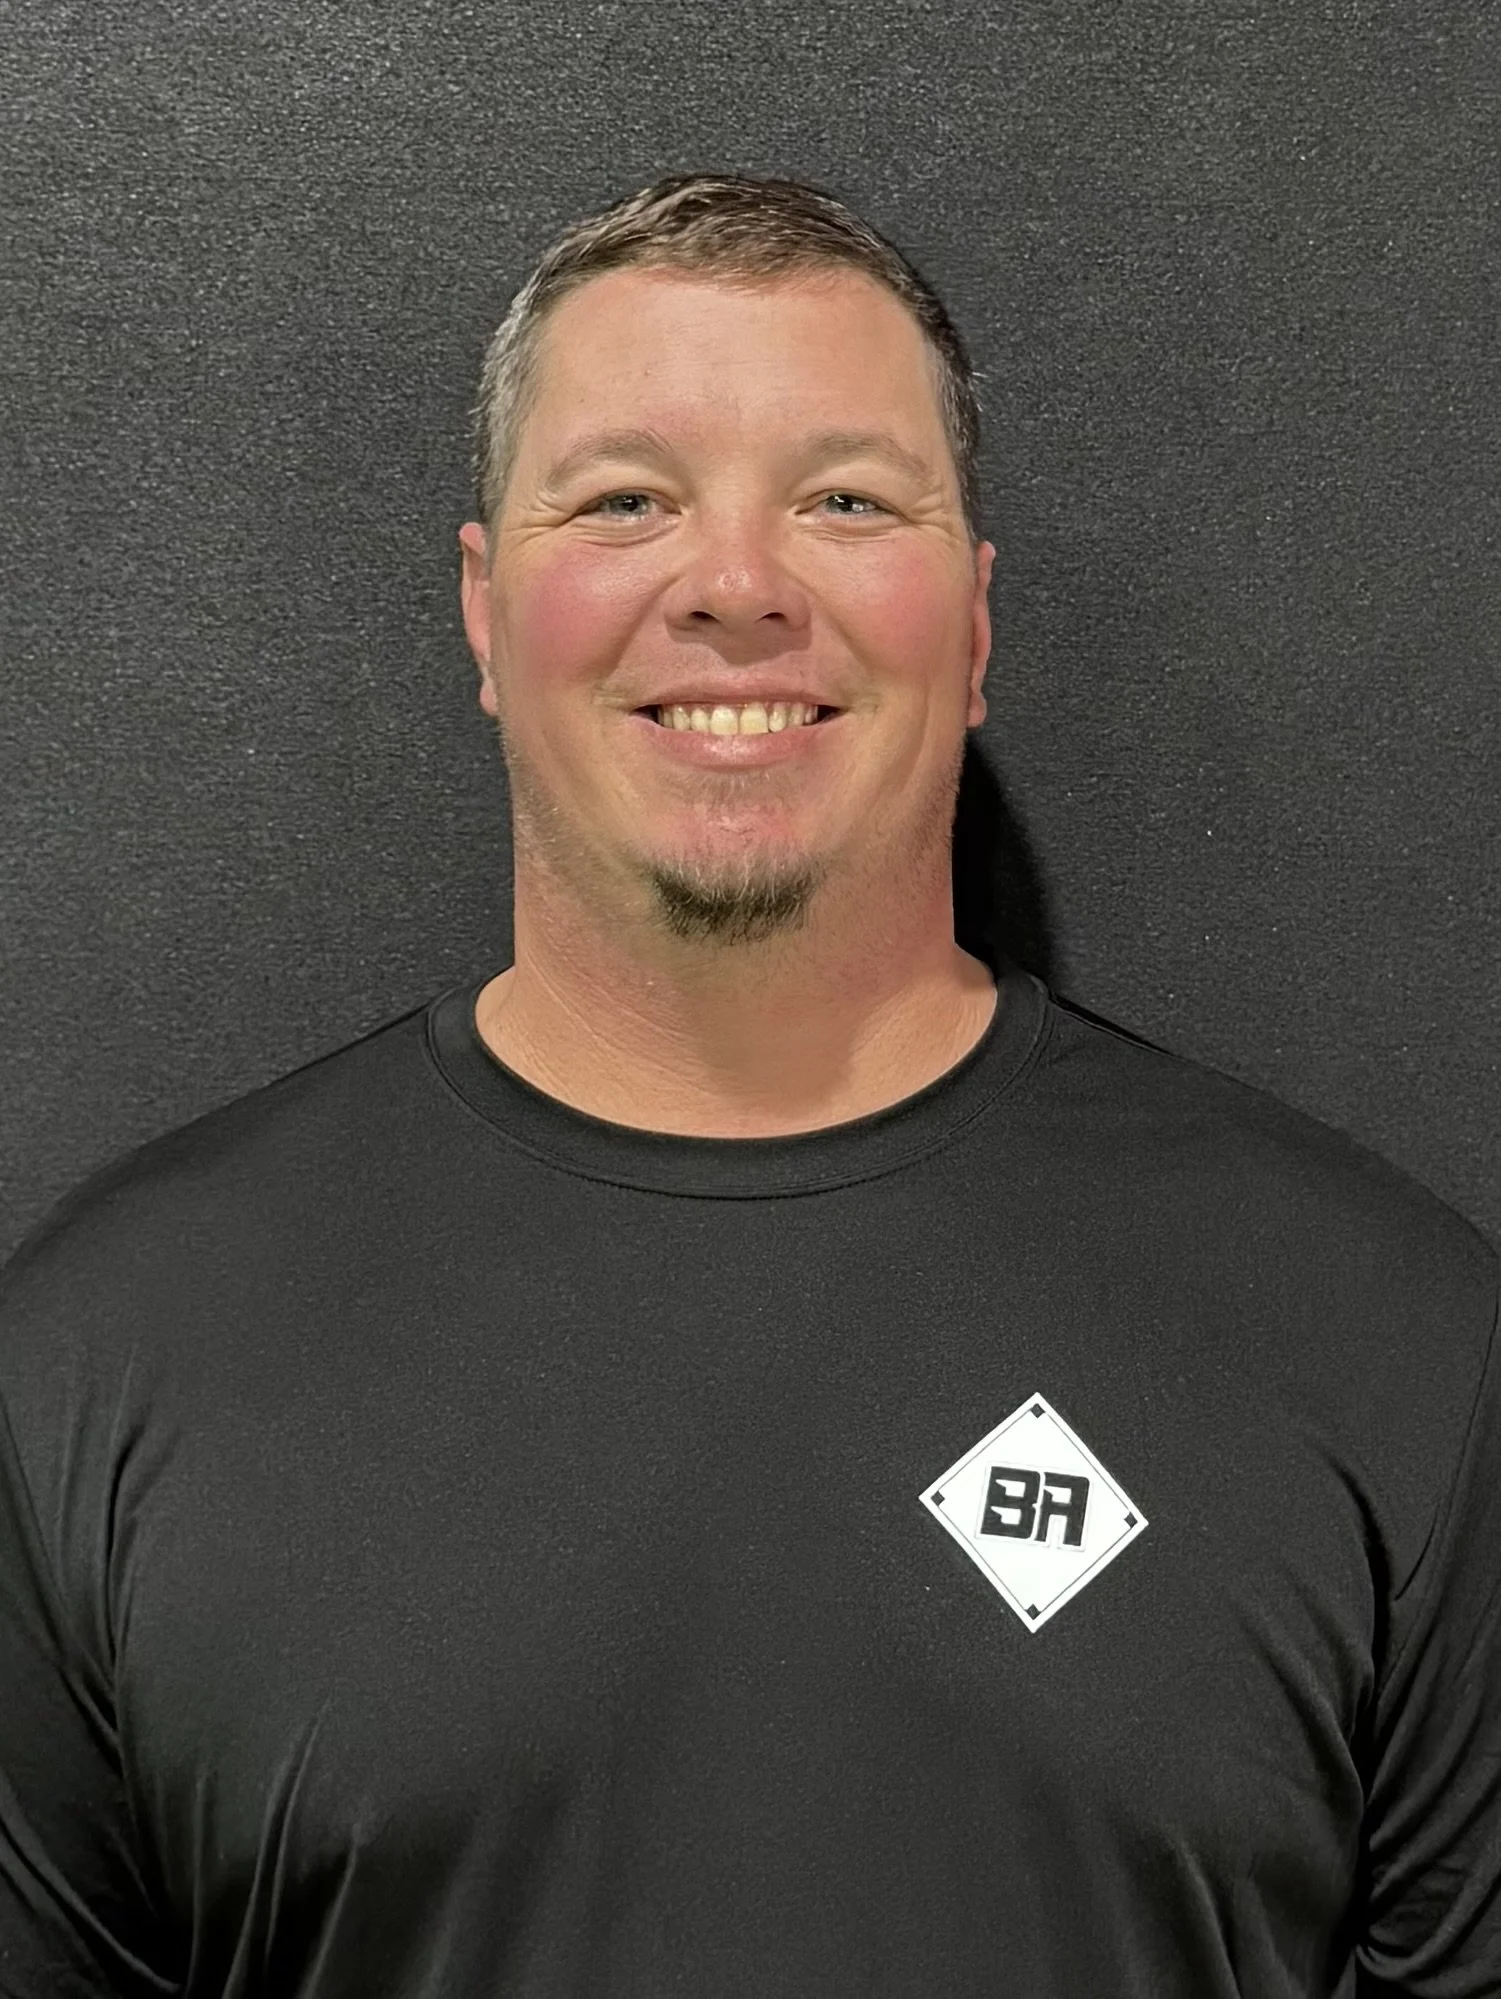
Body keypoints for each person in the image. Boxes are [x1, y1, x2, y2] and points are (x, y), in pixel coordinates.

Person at [1, 170, 1496, 1999]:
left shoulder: (1385, 1339)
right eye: (625, 500)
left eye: (846, 500)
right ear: (485, 608)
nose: (732, 587)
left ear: (976, 615)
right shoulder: (106, 1358)